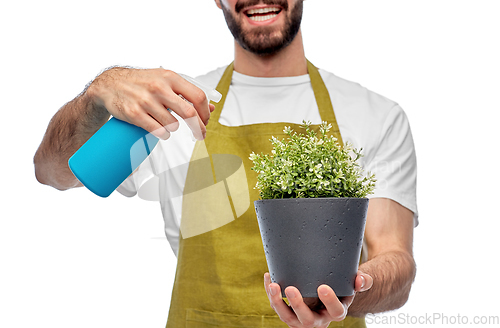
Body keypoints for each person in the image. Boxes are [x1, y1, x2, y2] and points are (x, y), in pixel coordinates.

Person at [34, 0, 418, 327]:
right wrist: (98, 94)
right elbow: (54, 173)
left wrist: (346, 290)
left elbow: (395, 264)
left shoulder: (374, 115)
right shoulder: (174, 105)